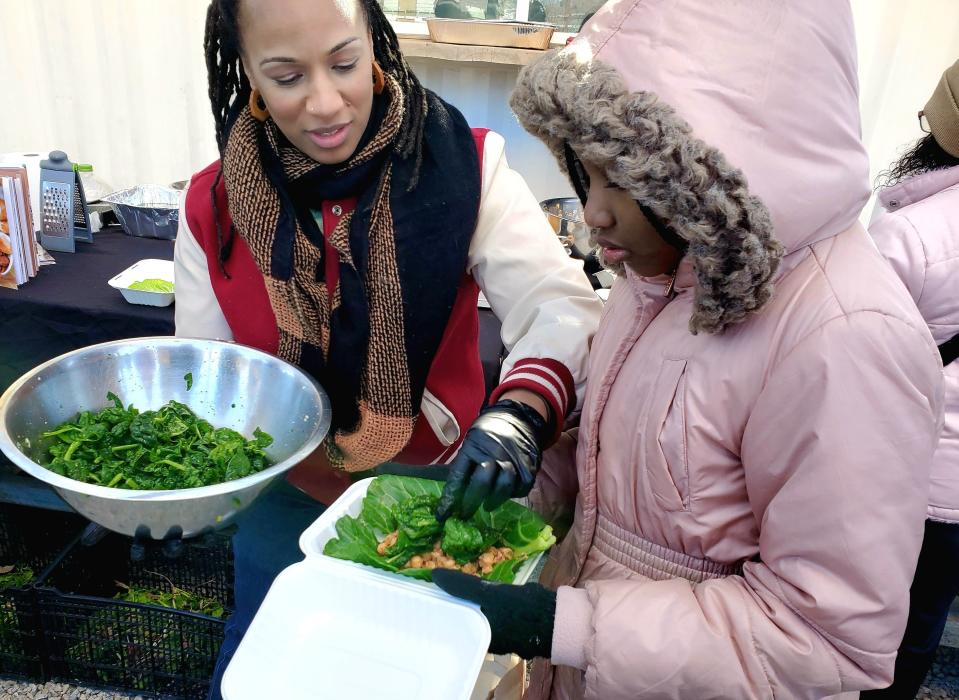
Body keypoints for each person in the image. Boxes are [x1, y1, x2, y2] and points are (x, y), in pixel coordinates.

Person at [429, 2, 946, 698]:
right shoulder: (660, 275)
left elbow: (824, 636)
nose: (594, 213)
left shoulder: (847, 336)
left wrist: (563, 624)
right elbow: (640, 462)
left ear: (725, 161)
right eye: (587, 174)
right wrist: (526, 477)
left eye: (627, 181)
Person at [173, 0, 602, 696]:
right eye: (285, 77)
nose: (324, 103)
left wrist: (519, 412)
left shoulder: (467, 166)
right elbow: (210, 384)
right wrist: (187, 499)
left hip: (441, 491)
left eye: (344, 63)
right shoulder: (213, 207)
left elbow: (559, 305)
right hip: (287, 500)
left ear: (374, 42)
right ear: (246, 75)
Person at [861, 59, 959, 699]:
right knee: (924, 624)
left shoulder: (912, 231)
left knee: (876, 625)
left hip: (914, 474)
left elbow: (858, 358)